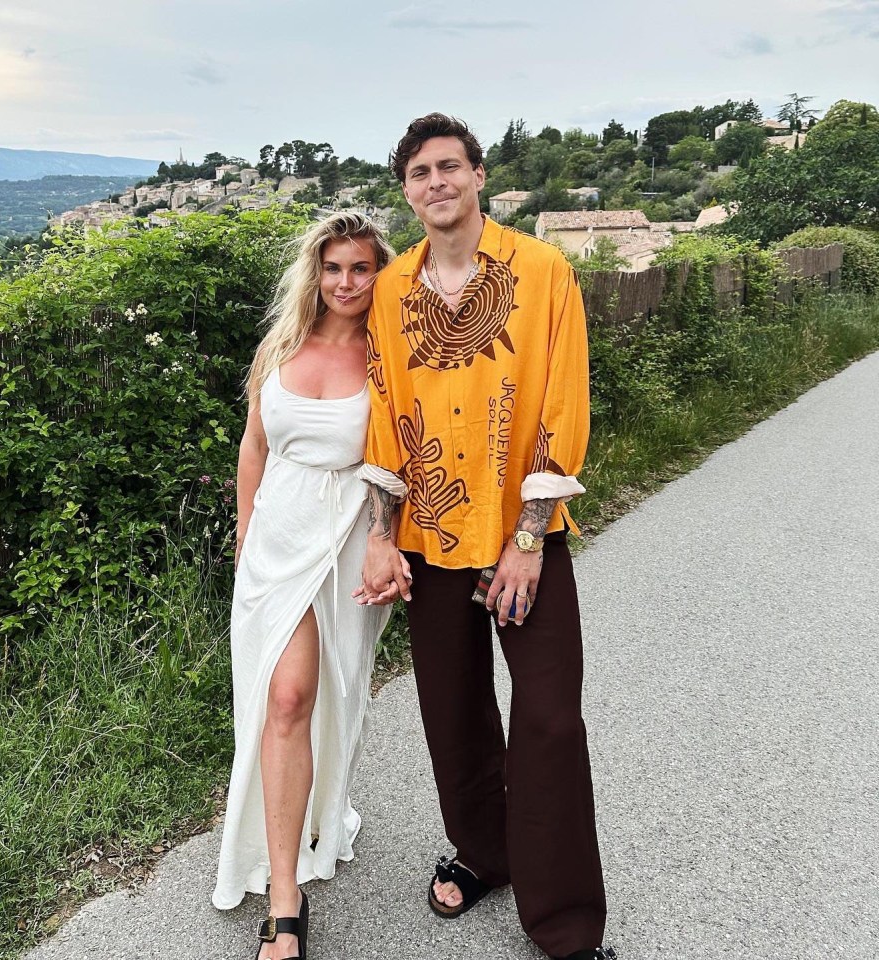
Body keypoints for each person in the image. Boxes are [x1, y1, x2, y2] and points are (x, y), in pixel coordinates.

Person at [354, 114, 615, 960]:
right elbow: (387, 418)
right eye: (420, 173)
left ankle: (568, 925)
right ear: (407, 191)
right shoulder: (392, 291)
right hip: (428, 535)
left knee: (548, 719)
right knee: (453, 713)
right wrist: (378, 536)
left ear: (478, 176)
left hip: (520, 537)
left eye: (449, 167)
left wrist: (529, 540)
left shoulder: (542, 272)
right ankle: (485, 852)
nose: (436, 182)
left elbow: (561, 407)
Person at [212, 212, 399, 960]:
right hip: (277, 542)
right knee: (286, 696)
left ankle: (322, 815)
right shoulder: (281, 346)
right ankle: (284, 899)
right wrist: (245, 540)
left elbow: (398, 460)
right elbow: (253, 449)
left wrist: (385, 541)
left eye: (361, 268)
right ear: (314, 274)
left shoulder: (394, 357)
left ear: (379, 275)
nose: (347, 283)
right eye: (334, 268)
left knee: (337, 699)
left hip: (350, 539)